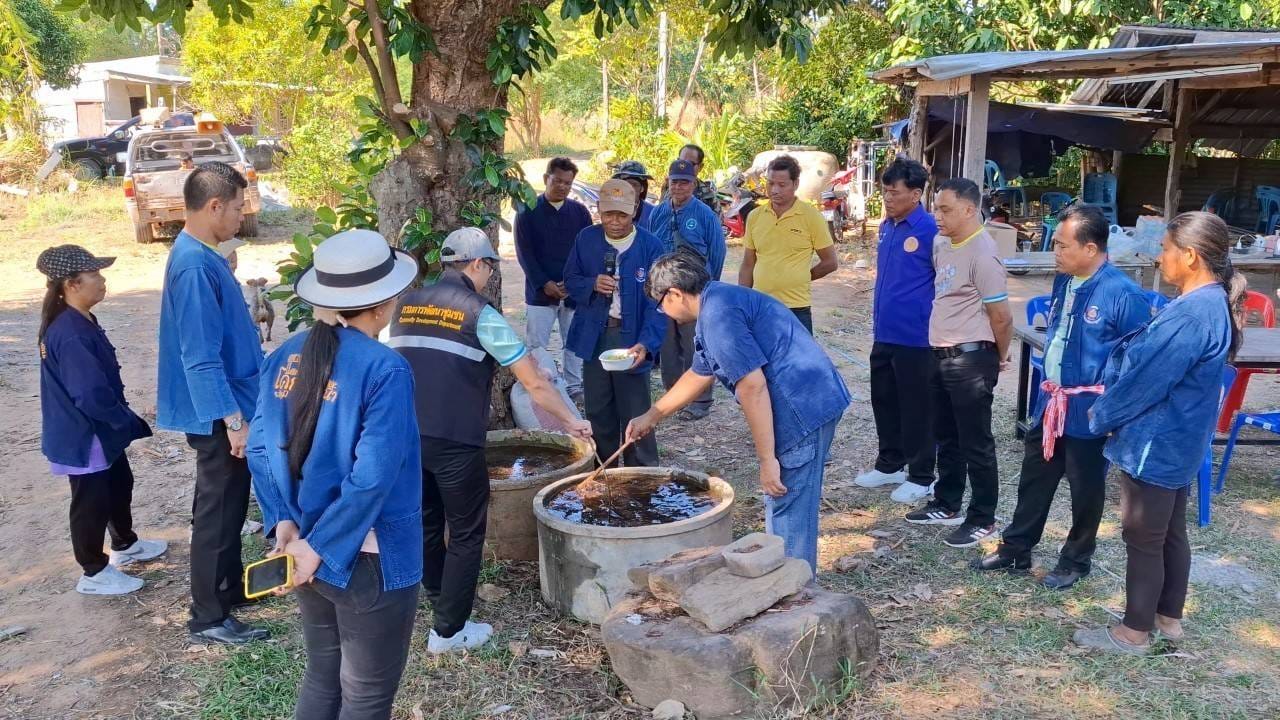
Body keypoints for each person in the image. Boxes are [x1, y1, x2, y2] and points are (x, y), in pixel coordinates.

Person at [388, 227, 590, 654]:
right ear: (478, 265)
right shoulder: (480, 312)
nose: (488, 277)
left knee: (426, 522)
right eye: (490, 268)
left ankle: (442, 601)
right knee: (464, 531)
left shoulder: (404, 304)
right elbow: (534, 383)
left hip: (403, 435)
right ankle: (449, 631)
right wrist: (571, 419)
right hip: (456, 439)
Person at [248, 229, 421, 719]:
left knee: (324, 676)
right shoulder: (385, 368)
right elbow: (373, 477)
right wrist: (320, 546)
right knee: (366, 695)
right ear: (383, 304)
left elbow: (261, 449)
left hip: (303, 546)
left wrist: (285, 522)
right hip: (366, 554)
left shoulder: (283, 355)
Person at [1073, 211, 1244, 655]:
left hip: (1158, 441)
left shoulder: (1193, 313)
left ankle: (1133, 632)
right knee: (1169, 532)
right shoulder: (1208, 303)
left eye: (1166, 249)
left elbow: (1145, 383)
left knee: (1143, 535)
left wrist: (1101, 415)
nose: (1159, 256)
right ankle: (1168, 619)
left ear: (1189, 256)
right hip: (1181, 439)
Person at [626, 252, 850, 572]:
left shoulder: (717, 316)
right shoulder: (717, 300)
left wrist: (766, 459)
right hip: (817, 395)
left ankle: (796, 595)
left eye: (660, 303)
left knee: (786, 503)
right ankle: (792, 582)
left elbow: (751, 386)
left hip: (801, 407)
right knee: (790, 500)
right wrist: (653, 414)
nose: (662, 311)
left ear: (675, 293)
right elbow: (700, 373)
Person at [973, 206, 1150, 589]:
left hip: (1089, 411)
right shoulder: (1063, 280)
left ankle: (1075, 559)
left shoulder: (1123, 294)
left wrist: (1113, 412)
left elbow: (1136, 361)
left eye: (1061, 244)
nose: (1054, 250)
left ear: (1090, 249)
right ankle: (1017, 547)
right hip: (1051, 404)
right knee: (1035, 478)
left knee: (1085, 488)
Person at [157, 161, 268, 644]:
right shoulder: (194, 266)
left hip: (232, 403)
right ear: (215, 205)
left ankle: (228, 591)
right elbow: (199, 358)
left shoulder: (206, 255)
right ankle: (207, 616)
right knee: (216, 512)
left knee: (232, 504)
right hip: (218, 412)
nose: (242, 217)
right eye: (239, 208)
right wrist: (234, 421)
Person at [37, 245, 166, 596]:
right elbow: (89, 394)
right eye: (94, 274)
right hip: (85, 434)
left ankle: (125, 543)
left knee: (119, 484)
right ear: (71, 284)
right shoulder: (71, 332)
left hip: (98, 429)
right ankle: (93, 571)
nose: (102, 280)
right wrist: (122, 419)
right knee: (90, 502)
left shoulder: (79, 319)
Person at [903, 177, 1012, 549]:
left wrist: (998, 357)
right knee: (946, 435)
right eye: (936, 207)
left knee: (975, 441)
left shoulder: (983, 252)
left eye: (945, 209)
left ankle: (983, 517)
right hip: (940, 353)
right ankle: (947, 502)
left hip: (970, 358)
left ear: (969, 209)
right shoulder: (942, 244)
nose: (937, 216)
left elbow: (1001, 315)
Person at [855, 157, 939, 505]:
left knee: (917, 406)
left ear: (916, 194)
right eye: (885, 191)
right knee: (885, 401)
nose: (887, 198)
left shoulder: (931, 230)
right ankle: (890, 463)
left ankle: (922, 475)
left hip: (917, 338)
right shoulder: (887, 227)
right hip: (884, 333)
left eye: (894, 192)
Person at [564, 179, 665, 467]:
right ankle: (604, 468)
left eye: (622, 214)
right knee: (598, 408)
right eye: (608, 214)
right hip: (596, 338)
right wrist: (591, 283)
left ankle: (641, 475)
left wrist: (646, 343)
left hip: (633, 338)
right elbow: (570, 280)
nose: (615, 221)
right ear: (598, 210)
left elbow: (660, 304)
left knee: (636, 410)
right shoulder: (586, 239)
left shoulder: (650, 246)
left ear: (635, 210)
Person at [649, 158, 727, 421]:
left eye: (685, 182)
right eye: (675, 182)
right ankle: (674, 395)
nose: (679, 187)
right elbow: (650, 246)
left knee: (695, 345)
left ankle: (700, 401)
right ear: (668, 183)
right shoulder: (658, 212)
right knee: (667, 346)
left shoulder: (704, 214)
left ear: (694, 184)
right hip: (664, 292)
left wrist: (705, 290)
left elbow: (717, 253)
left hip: (693, 292)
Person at [515, 157, 593, 402]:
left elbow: (587, 251)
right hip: (540, 293)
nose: (563, 187)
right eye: (558, 181)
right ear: (546, 179)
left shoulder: (579, 213)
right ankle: (538, 387)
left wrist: (574, 284)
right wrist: (544, 283)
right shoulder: (527, 210)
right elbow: (524, 252)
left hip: (572, 292)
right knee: (537, 344)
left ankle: (574, 386)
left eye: (568, 183)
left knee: (573, 342)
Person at [738, 154, 839, 333]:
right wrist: (742, 300)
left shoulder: (811, 217)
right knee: (763, 360)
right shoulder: (755, 217)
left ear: (796, 184)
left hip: (796, 308)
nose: (774, 190)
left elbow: (830, 262)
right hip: (761, 306)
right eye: (770, 183)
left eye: (782, 185)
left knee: (799, 361)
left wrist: (803, 276)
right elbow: (748, 264)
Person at [612, 160, 655, 231]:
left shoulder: (652, 213)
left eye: (634, 185)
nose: (629, 188)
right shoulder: (610, 209)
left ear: (642, 188)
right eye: (626, 184)